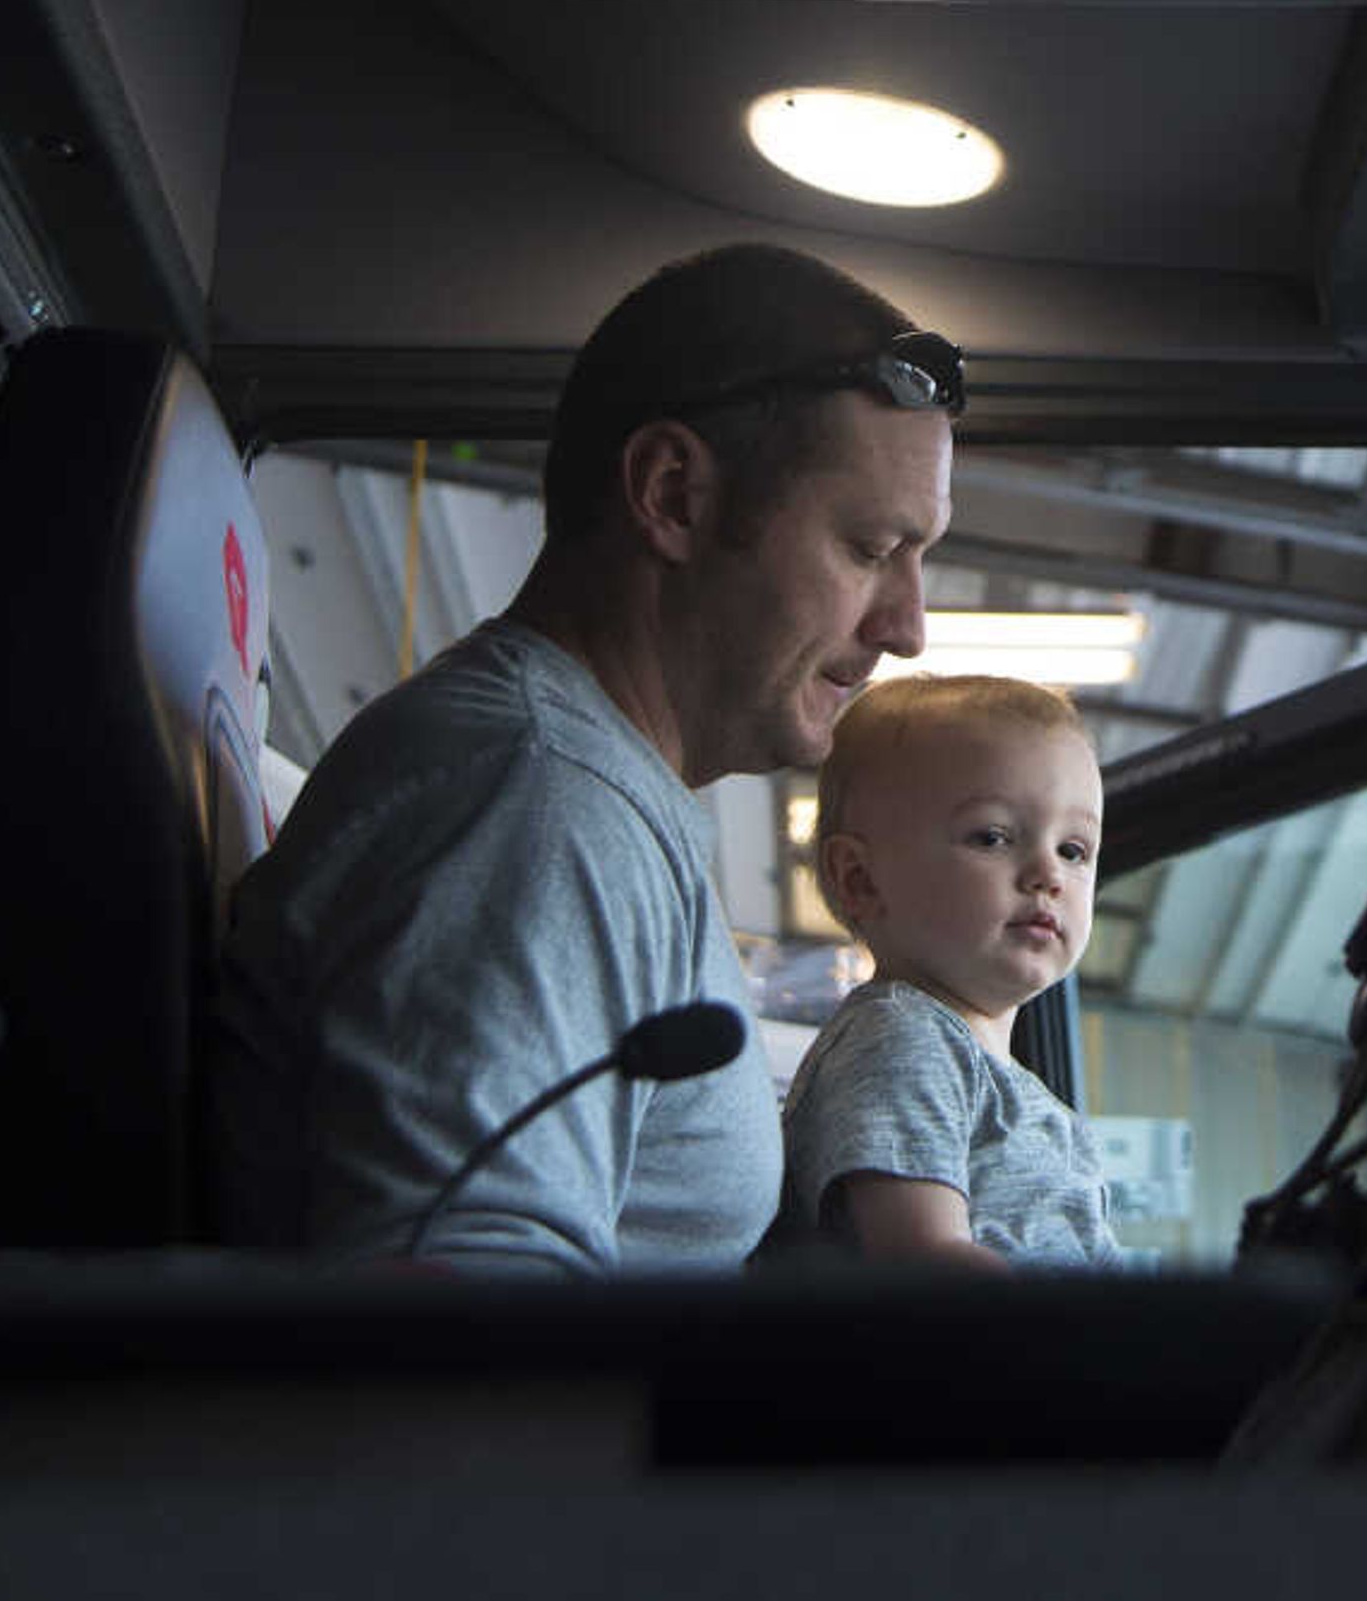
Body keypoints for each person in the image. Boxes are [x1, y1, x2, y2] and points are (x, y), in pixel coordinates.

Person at [202, 243, 960, 1269]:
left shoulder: (593, 794)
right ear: (673, 494)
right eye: (871, 549)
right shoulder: (535, 802)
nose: (909, 626)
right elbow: (466, 1362)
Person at [774, 674, 1125, 1269]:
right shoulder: (902, 1038)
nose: (1049, 873)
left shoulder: (1019, 1093)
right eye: (992, 837)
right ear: (859, 879)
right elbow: (927, 1267)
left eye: (1074, 850)